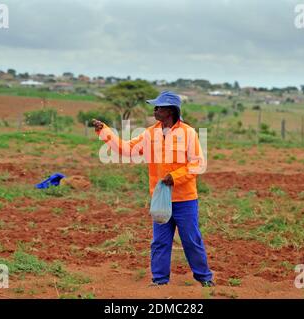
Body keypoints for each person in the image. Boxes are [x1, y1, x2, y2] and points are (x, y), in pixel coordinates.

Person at [92, 91, 214, 287]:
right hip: (160, 198)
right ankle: (159, 280)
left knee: (191, 240)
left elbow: (198, 164)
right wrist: (105, 132)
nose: (155, 110)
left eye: (159, 107)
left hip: (185, 199)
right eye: (155, 106)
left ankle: (204, 279)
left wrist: (174, 177)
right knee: (160, 241)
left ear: (171, 111)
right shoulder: (150, 133)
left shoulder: (188, 133)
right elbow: (126, 150)